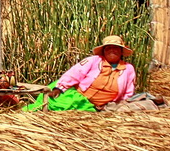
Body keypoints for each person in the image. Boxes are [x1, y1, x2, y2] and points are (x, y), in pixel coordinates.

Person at [31, 35, 162, 111]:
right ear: (103, 51)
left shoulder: (128, 69)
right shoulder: (94, 61)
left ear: (121, 52)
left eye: (116, 48)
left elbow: (128, 90)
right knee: (54, 105)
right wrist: (59, 88)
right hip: (77, 96)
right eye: (108, 48)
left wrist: (123, 103)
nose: (112, 51)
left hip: (99, 105)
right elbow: (74, 74)